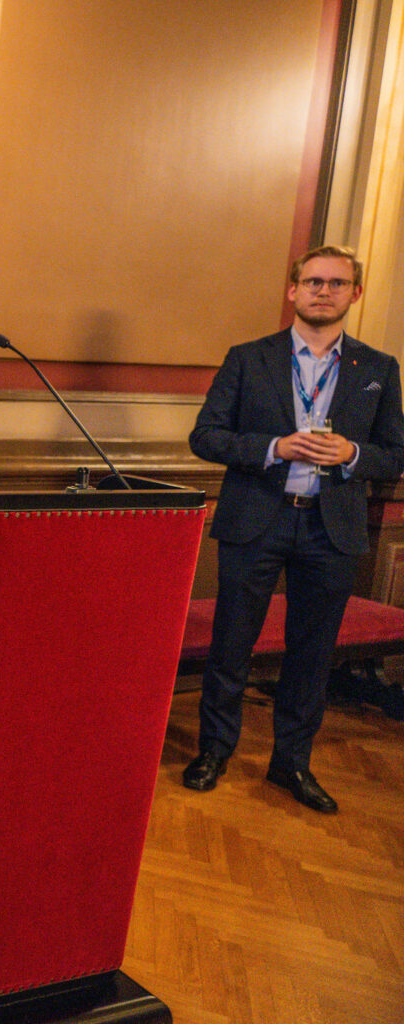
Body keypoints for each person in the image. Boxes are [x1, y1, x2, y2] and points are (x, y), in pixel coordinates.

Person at [184, 244, 404, 813]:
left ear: (355, 294)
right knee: (232, 644)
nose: (323, 291)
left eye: (336, 283)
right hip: (258, 518)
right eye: (313, 282)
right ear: (293, 290)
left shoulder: (378, 369)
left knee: (312, 652)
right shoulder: (247, 358)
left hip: (332, 529)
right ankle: (214, 752)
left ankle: (292, 764)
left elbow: (393, 454)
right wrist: (273, 447)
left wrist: (353, 454)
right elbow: (205, 436)